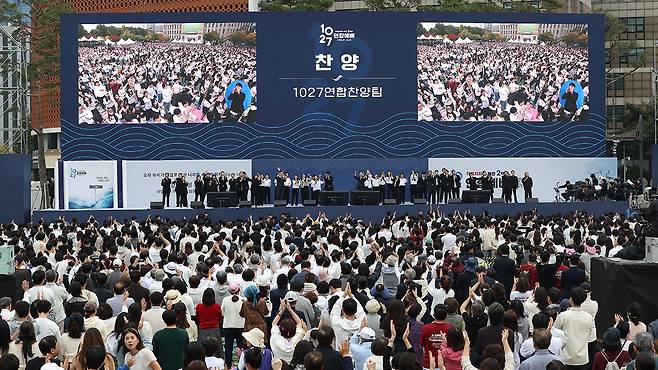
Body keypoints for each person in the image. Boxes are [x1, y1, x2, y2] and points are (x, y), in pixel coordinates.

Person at [553, 288, 594, 370]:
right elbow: (589, 334)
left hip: (566, 358)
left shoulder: (563, 316)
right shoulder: (589, 317)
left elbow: (555, 331)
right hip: (582, 358)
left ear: (570, 299)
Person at [271, 299, 306, 365]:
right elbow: (299, 322)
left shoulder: (276, 339)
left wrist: (282, 310)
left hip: (278, 366)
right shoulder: (297, 339)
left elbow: (274, 324)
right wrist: (290, 310)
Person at [196, 288, 223, 353]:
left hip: (203, 330)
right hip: (215, 329)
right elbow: (220, 317)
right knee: (216, 349)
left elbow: (198, 317)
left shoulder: (199, 306)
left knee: (202, 349)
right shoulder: (217, 306)